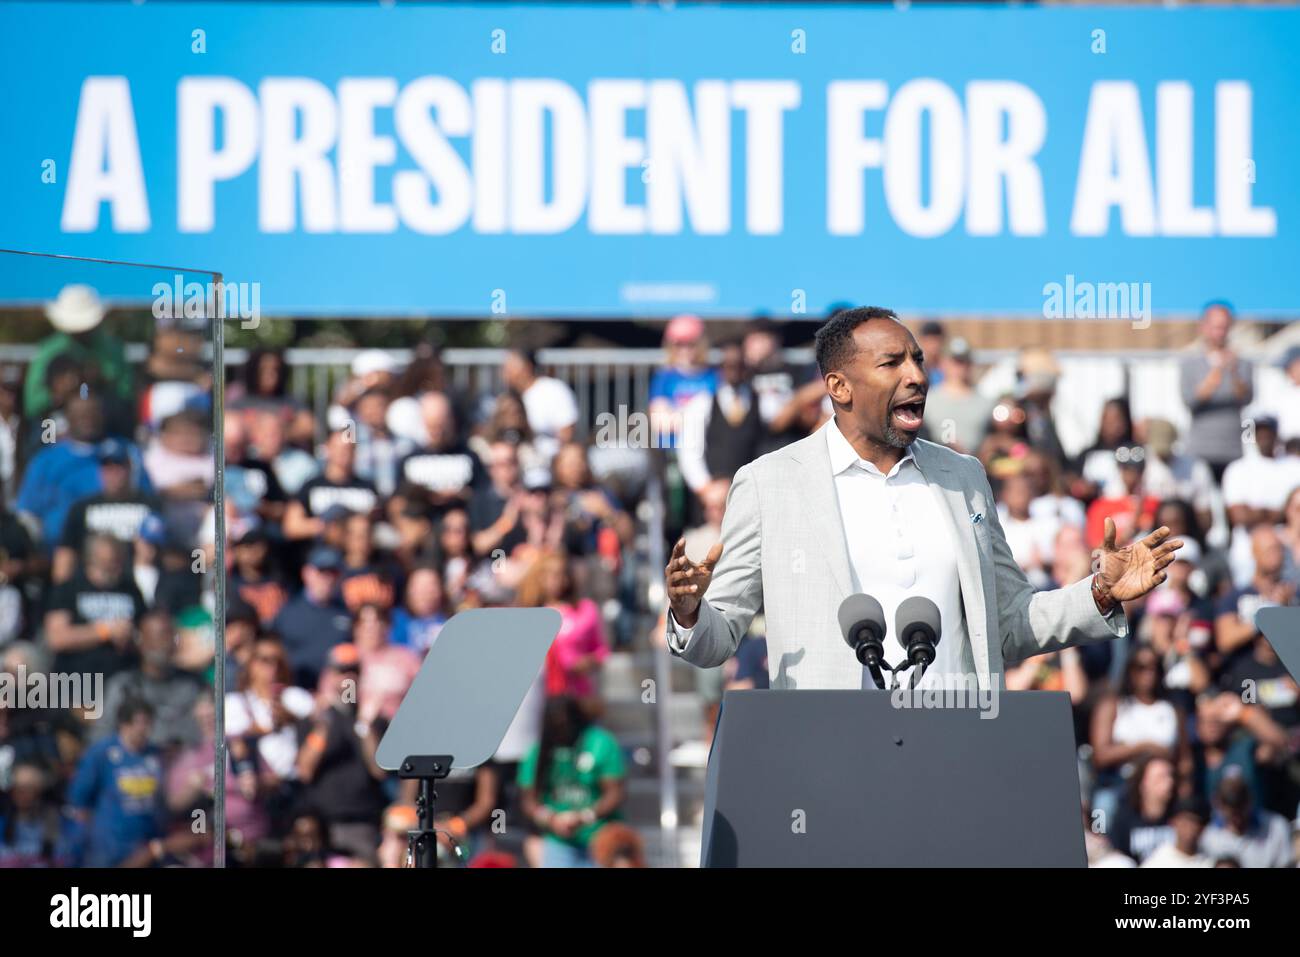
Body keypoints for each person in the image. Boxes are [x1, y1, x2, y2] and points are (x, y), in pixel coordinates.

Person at [664, 308, 1182, 691]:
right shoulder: (770, 482)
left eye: (917, 360)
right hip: (827, 759)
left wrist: (1100, 593)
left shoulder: (963, 476)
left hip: (954, 752)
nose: (915, 375)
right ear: (839, 387)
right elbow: (718, 638)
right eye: (891, 364)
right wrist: (689, 613)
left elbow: (1007, 621)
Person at [518, 695, 626, 868]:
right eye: (556, 726)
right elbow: (528, 799)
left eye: (565, 724)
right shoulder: (538, 751)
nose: (562, 731)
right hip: (559, 841)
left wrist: (585, 816)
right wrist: (550, 819)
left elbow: (614, 793)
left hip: (599, 838)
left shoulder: (600, 743)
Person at [67, 698, 166, 867]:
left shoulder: (155, 755)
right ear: (124, 724)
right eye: (140, 722)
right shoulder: (101, 753)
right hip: (107, 846)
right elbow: (79, 799)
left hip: (144, 843)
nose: (144, 729)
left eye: (148, 723)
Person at [1179, 302, 1253, 483]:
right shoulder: (1190, 363)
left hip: (1233, 449)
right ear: (1204, 327)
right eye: (1216, 327)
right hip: (1200, 449)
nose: (1220, 333)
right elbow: (1190, 400)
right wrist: (1216, 372)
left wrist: (1233, 372)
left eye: (1224, 327)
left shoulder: (1241, 363)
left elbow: (1247, 398)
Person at [271, 546, 354, 689]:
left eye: (334, 573)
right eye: (322, 572)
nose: (328, 579)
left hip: (337, 692)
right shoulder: (287, 613)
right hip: (295, 691)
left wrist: (346, 696)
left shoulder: (348, 614)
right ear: (306, 573)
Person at [502, 349, 579, 466]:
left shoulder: (553, 390)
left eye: (509, 367)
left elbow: (566, 434)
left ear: (526, 367)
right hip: (514, 461)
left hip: (548, 460)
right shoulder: (507, 398)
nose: (505, 373)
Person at [1199, 775, 1295, 868]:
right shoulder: (1208, 838)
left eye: (1240, 811)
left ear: (1250, 800)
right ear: (1217, 804)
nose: (1237, 819)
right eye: (1231, 814)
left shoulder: (1276, 827)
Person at [920, 336, 993, 455]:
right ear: (942, 363)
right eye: (953, 361)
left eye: (962, 361)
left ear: (970, 364)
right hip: (933, 462)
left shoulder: (986, 403)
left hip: (974, 462)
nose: (958, 367)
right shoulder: (927, 401)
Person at [1140, 795, 1213, 868]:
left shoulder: (1210, 860)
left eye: (1196, 823)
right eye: (1185, 822)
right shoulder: (1158, 861)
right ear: (1174, 823)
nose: (1190, 828)